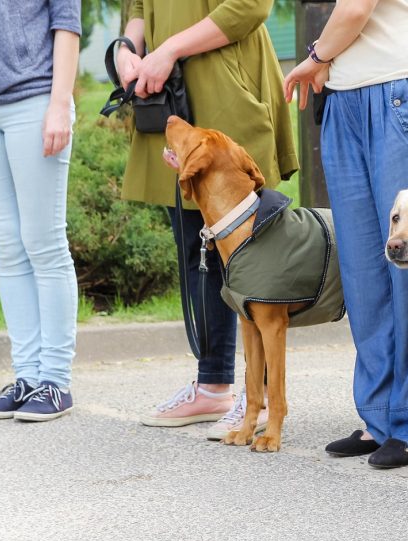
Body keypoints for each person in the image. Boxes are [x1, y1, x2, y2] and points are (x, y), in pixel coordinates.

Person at [283, 0, 408, 468]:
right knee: (365, 271)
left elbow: (356, 9)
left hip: (399, 89)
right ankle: (380, 417)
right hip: (344, 98)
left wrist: (315, 58)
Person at [116, 0, 298, 430]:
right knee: (194, 249)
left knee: (250, 257)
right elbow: (138, 4)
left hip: (225, 85)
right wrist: (128, 47)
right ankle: (213, 385)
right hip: (166, 89)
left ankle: (263, 400)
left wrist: (169, 50)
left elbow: (251, 6)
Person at [0, 0, 81, 422]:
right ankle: (27, 376)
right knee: (8, 247)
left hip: (34, 102)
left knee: (44, 242)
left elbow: (67, 25)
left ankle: (54, 381)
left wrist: (60, 103)